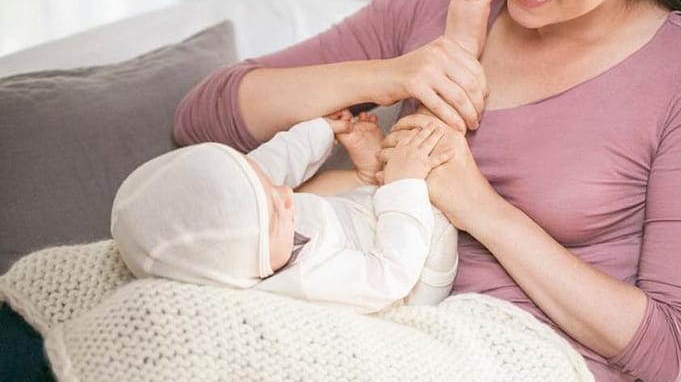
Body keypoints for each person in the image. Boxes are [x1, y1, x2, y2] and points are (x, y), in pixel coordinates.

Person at [173, 0, 681, 382]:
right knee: (158, 310)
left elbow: (671, 349)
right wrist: (392, 74)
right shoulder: (445, 7)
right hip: (363, 323)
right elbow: (203, 117)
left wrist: (477, 205)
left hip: (512, 362)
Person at [111, 110, 459, 314]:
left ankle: (371, 181)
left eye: (269, 191)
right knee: (438, 222)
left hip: (347, 223)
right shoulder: (305, 282)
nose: (285, 197)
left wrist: (319, 132)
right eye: (275, 215)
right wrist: (405, 183)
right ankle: (385, 186)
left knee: (306, 198)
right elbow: (392, 275)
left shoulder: (247, 228)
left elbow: (266, 166)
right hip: (404, 281)